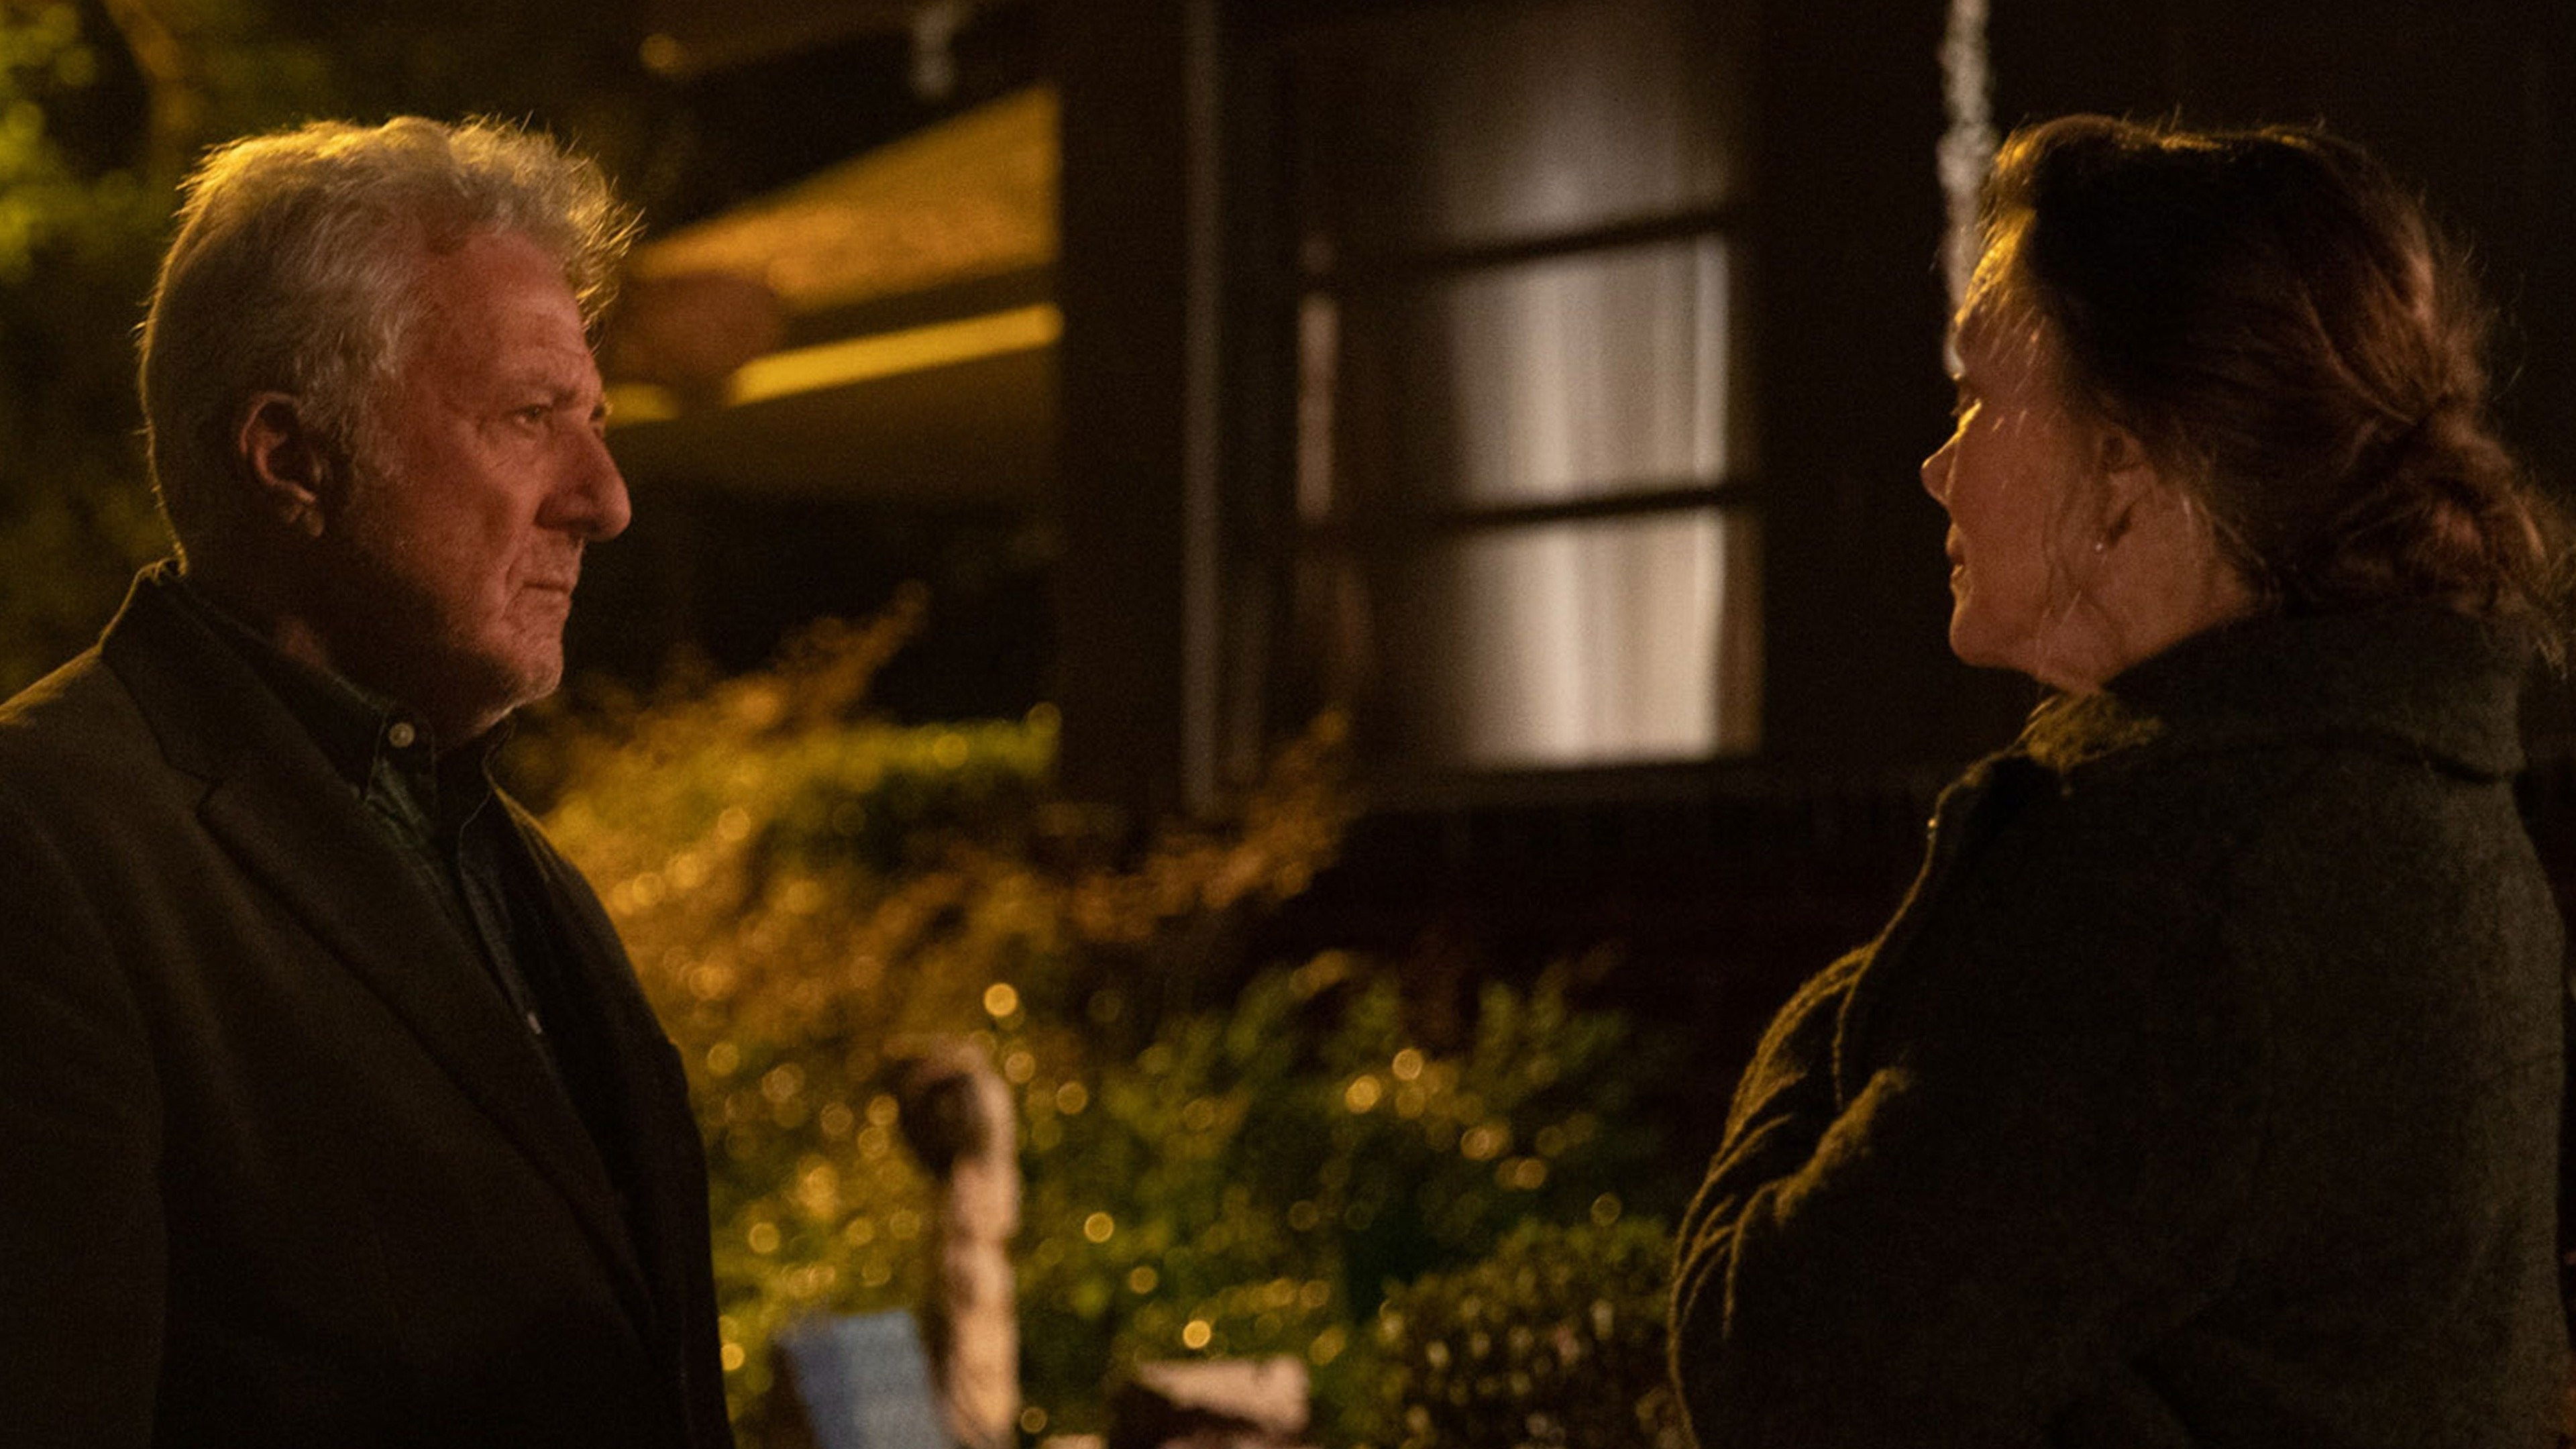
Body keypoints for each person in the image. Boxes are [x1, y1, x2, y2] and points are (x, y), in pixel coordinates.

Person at [1670, 115, 2568, 1448]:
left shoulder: (2160, 899)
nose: (1937, 466)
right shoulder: (2414, 788)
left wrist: (1865, 998)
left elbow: (1768, 1364)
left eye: (1980, 396)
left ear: (2125, 468)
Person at [0, 117, 735, 1448]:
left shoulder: (519, 873)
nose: (606, 498)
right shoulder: (43, 843)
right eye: (529, 418)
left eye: (596, 423)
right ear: (291, 459)